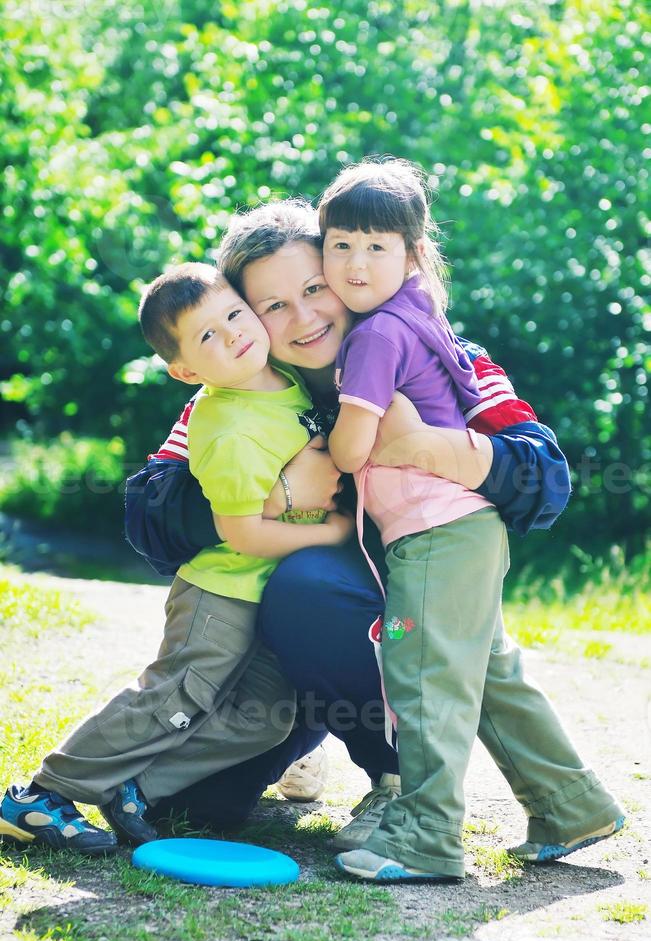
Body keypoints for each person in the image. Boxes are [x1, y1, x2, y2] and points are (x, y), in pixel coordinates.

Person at [124, 197, 624, 873]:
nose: (301, 317)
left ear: (342, 275)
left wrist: (431, 447)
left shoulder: (426, 351)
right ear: (244, 315)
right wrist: (278, 494)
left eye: (312, 289)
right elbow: (147, 514)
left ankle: (396, 780)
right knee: (196, 807)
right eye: (272, 306)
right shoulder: (235, 393)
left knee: (316, 589)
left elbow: (543, 476)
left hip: (393, 596)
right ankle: (305, 737)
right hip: (277, 650)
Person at [317, 158, 623, 881]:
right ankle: (570, 805)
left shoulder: (373, 337)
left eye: (375, 246)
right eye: (340, 244)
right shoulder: (418, 318)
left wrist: (324, 444)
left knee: (425, 677)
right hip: (467, 529)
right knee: (485, 676)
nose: (355, 262)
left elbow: (355, 443)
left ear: (412, 252)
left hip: (435, 532)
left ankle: (426, 838)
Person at [0, 264, 354, 855]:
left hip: (268, 596)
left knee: (266, 716)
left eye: (234, 315)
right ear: (186, 371)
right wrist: (332, 532)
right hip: (222, 594)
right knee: (173, 697)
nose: (234, 335)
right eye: (208, 336)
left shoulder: (285, 381)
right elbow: (240, 534)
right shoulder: (226, 426)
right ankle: (42, 793)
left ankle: (135, 787)